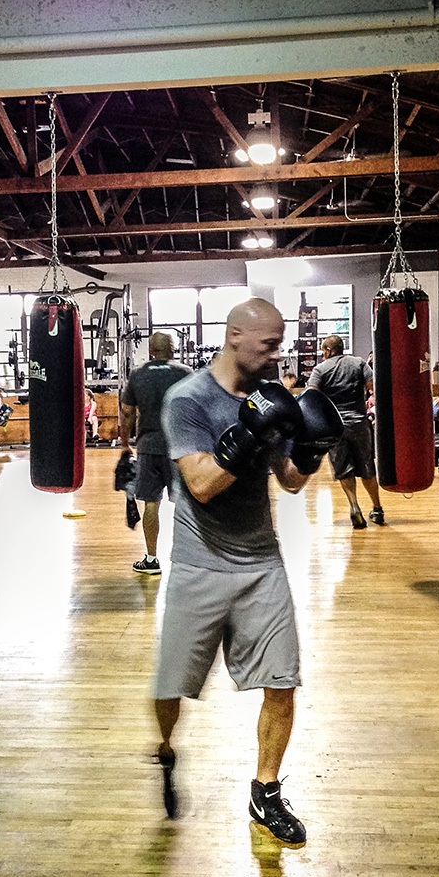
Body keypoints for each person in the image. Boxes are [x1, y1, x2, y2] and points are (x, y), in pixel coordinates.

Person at [154, 298, 337, 848]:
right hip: (199, 562)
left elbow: (289, 482)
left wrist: (310, 451)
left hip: (260, 560)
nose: (277, 353)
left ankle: (266, 791)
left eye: (279, 343)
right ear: (235, 335)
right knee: (172, 688)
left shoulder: (271, 392)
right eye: (268, 343)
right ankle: (165, 750)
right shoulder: (186, 399)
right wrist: (248, 433)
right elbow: (203, 486)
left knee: (283, 682)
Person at [118, 331, 193, 574]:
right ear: (171, 349)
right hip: (179, 448)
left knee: (151, 503)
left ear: (151, 350)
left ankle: (151, 559)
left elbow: (127, 412)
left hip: (148, 447)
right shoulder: (184, 372)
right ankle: (187, 558)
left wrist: (124, 444)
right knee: (184, 504)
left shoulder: (138, 374)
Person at [306, 334, 383, 527]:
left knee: (344, 469)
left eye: (323, 349)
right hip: (359, 424)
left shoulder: (320, 370)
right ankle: (377, 508)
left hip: (335, 427)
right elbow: (373, 388)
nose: (322, 353)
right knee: (367, 467)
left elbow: (311, 396)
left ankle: (354, 506)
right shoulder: (358, 363)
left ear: (329, 350)